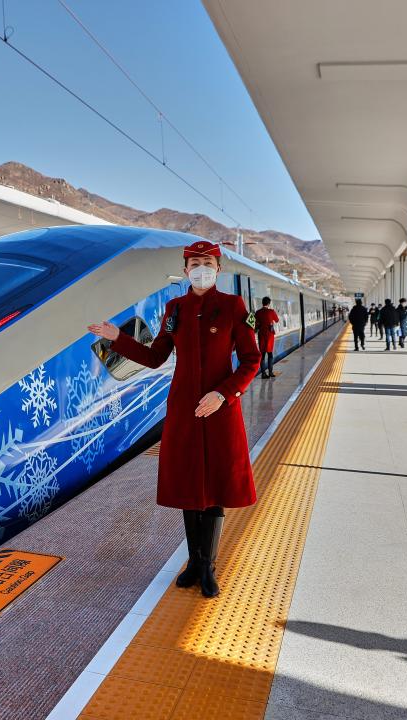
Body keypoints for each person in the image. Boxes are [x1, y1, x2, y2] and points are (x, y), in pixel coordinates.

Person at [87, 239, 260, 598]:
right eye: (195, 264)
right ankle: (193, 562)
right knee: (188, 488)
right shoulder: (175, 308)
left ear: (217, 270)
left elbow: (250, 360)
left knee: (213, 490)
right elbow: (155, 357)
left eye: (207, 264)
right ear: (185, 271)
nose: (201, 269)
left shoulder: (232, 306)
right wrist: (118, 337)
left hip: (219, 411)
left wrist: (223, 394)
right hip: (183, 410)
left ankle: (208, 567)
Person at [255, 296, 280, 379]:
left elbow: (255, 323)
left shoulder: (257, 312)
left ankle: (263, 373)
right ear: (269, 303)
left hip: (261, 335)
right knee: (270, 354)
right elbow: (277, 320)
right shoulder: (271, 311)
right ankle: (270, 372)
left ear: (262, 303)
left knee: (262, 355)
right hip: (270, 336)